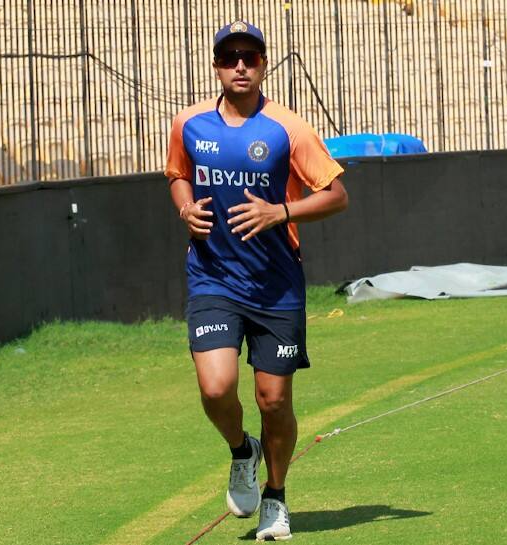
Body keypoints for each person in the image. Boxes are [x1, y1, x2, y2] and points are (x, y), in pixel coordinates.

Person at [164, 20, 348, 541]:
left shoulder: (287, 127)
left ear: (264, 64)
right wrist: (185, 211)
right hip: (213, 278)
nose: (240, 65)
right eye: (229, 57)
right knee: (216, 386)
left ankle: (276, 496)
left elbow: (336, 195)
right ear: (216, 66)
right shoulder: (189, 124)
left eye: (250, 56)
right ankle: (242, 450)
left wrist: (281, 212)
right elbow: (177, 174)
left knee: (274, 401)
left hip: (275, 287)